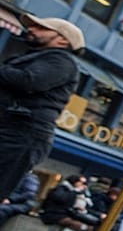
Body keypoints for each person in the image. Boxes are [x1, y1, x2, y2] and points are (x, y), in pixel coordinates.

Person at [0, 16, 82, 204]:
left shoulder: (62, 61)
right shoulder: (33, 57)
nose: (32, 30)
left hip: (20, 133)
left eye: (41, 28)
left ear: (62, 40)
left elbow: (30, 81)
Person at [39, 174, 103, 231]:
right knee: (77, 225)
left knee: (90, 228)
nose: (83, 185)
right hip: (53, 213)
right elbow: (61, 199)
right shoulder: (62, 188)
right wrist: (75, 192)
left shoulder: (78, 192)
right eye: (82, 182)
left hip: (68, 214)